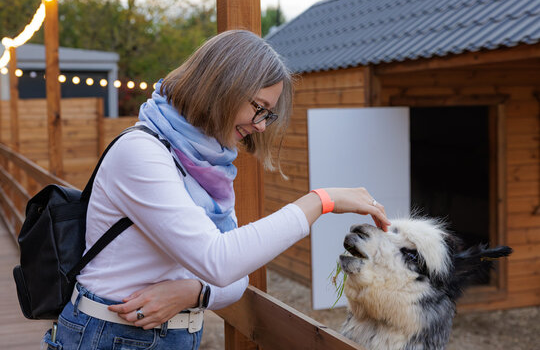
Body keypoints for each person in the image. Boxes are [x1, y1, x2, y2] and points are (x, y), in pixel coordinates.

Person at [43, 30, 390, 350]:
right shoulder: (142, 153)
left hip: (167, 336)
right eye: (258, 108)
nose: (259, 126)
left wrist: (194, 291)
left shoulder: (208, 165)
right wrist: (321, 201)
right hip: (111, 335)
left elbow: (234, 275)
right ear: (223, 86)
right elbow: (220, 260)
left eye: (267, 115)